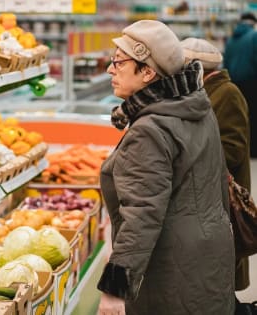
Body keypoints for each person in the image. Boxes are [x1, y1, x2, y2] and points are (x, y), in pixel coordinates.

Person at [97, 20, 235, 315]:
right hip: (211, 256)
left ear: (147, 72)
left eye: (118, 62)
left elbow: (141, 217)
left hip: (171, 272)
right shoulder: (196, 106)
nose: (110, 69)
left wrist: (114, 290)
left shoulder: (149, 130)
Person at [181, 37, 252, 314]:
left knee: (218, 279)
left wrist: (187, 148)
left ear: (196, 68)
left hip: (221, 200)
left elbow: (232, 150)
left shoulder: (227, 93)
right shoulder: (200, 92)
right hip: (207, 198)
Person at [224, 12, 257, 157]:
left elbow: (225, 62)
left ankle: (243, 147)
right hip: (252, 82)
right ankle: (254, 149)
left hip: (234, 83)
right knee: (254, 116)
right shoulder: (254, 37)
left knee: (241, 116)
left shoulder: (231, 40)